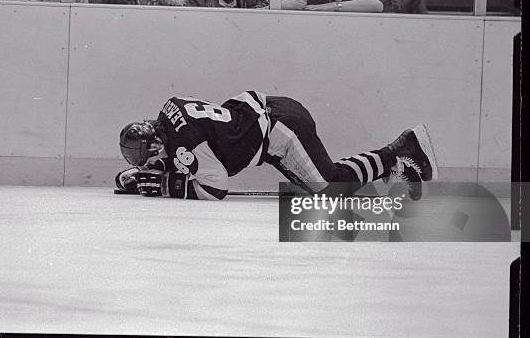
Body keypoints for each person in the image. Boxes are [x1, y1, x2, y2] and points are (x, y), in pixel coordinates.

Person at [116, 91, 438, 201]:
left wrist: (166, 185)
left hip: (281, 131)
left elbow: (215, 188)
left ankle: (401, 149)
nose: (152, 160)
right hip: (274, 112)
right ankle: (392, 164)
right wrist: (156, 168)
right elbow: (195, 144)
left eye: (150, 156)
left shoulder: (184, 145)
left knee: (329, 188)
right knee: (325, 181)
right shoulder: (168, 110)